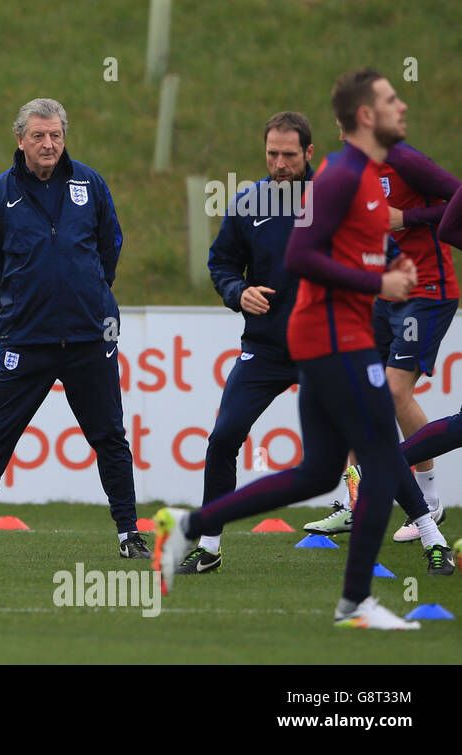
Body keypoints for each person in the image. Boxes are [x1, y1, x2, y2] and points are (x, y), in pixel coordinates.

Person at [155, 68, 453, 631]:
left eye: (287, 154)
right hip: (324, 344)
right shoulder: (337, 181)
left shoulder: (359, 178)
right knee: (377, 452)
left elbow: (366, 251)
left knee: (323, 472)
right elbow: (301, 258)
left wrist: (390, 267)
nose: (403, 105)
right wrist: (377, 285)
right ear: (366, 116)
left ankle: (190, 526)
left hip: (337, 340)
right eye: (392, 99)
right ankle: (356, 598)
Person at [0, 97, 143, 560]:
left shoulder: (90, 184)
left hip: (88, 338)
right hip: (26, 339)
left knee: (110, 438)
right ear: (19, 139)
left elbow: (109, 246)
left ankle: (128, 533)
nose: (48, 144)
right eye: (38, 135)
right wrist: (10, 310)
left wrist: (92, 294)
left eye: (56, 135)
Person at [303, 139, 459, 541]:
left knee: (393, 392)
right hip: (383, 294)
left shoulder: (405, 159)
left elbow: (457, 198)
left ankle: (429, 503)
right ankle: (355, 504)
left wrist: (406, 217)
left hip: (426, 291)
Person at [181, 112, 314, 574]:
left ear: (309, 154)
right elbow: (221, 265)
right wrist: (240, 293)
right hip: (266, 350)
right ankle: (209, 547)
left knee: (372, 440)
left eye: (289, 155)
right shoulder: (248, 203)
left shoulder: (333, 202)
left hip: (327, 348)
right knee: (222, 438)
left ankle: (427, 530)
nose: (279, 163)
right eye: (272, 154)